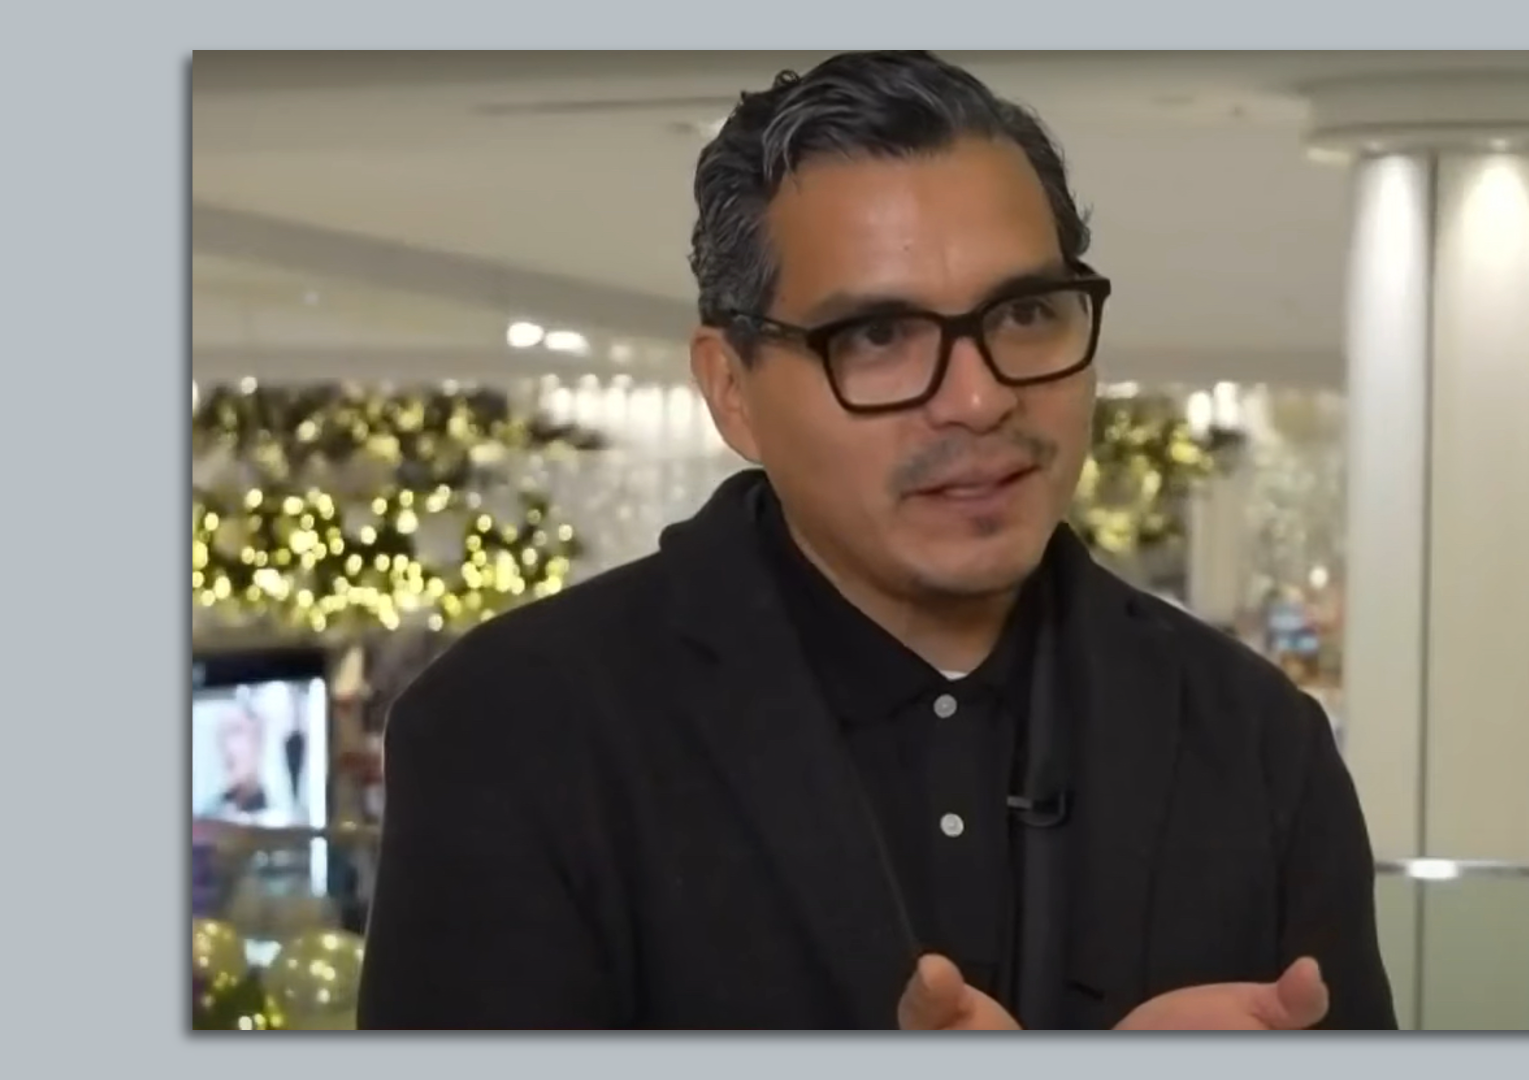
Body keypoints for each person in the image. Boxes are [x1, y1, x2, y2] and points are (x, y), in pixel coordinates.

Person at [357, 50, 1397, 1031]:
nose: (980, 398)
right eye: (879, 338)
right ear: (733, 392)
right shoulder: (513, 732)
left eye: (1028, 312)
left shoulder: (1257, 742)